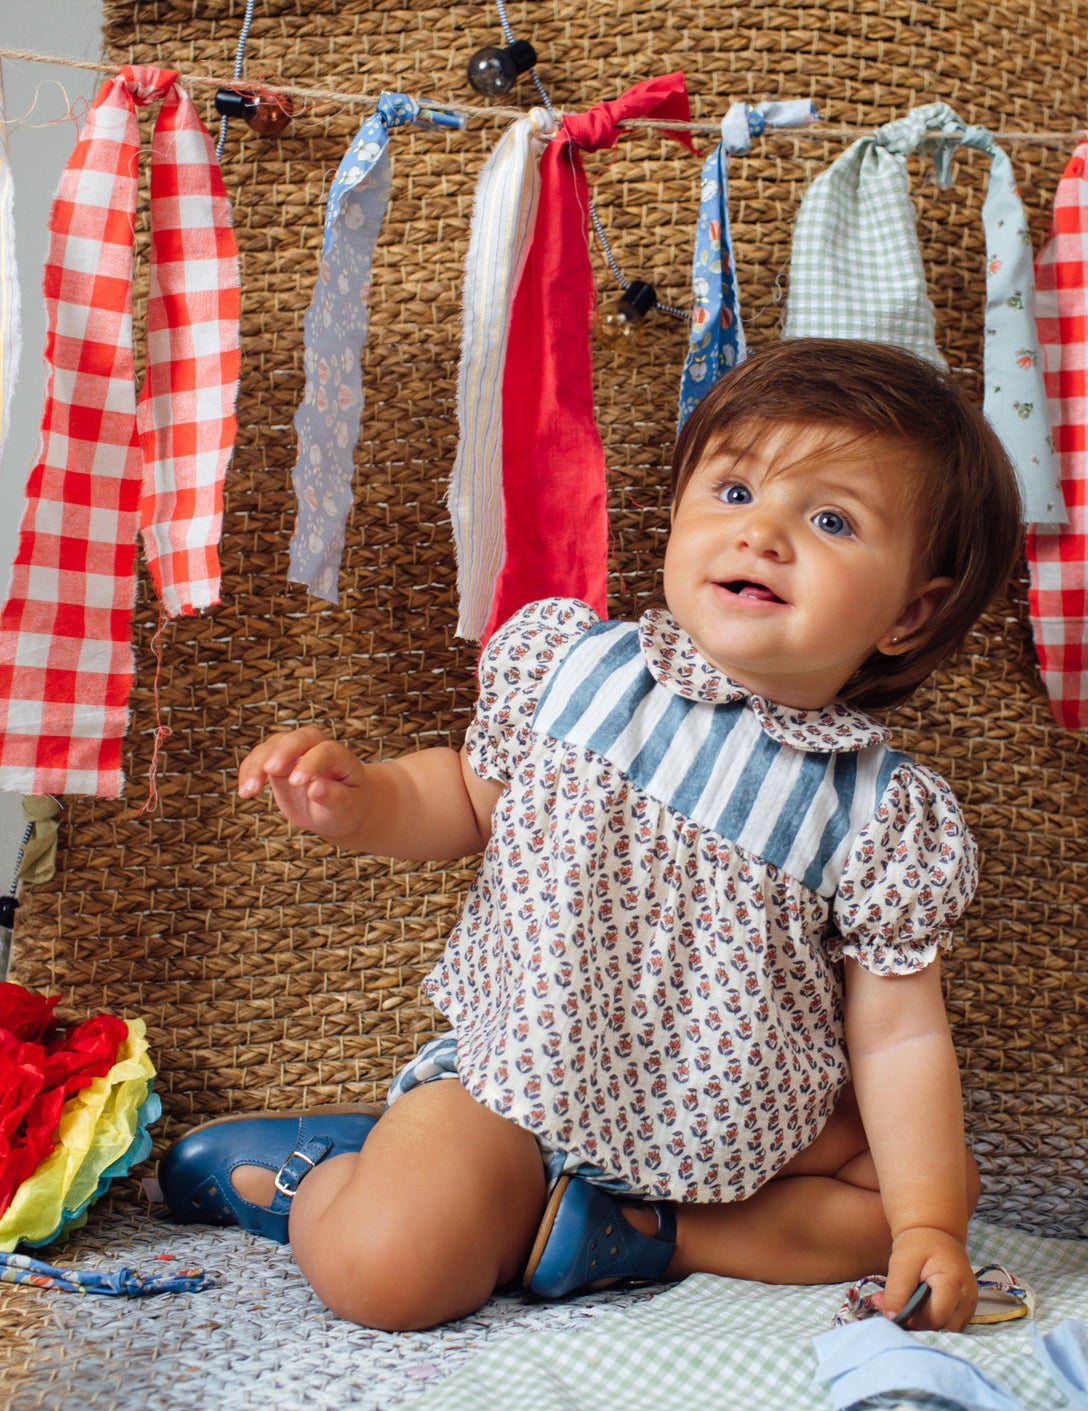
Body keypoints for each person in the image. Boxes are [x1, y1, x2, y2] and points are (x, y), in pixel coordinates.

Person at [159, 337, 1023, 1335]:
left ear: (910, 613)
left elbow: (900, 1030)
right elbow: (467, 802)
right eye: (734, 492)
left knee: (934, 1183)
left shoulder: (878, 811)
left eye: (829, 518)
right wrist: (364, 799)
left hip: (724, 1138)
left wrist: (923, 1223)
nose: (764, 535)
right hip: (516, 1092)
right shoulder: (574, 670)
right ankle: (314, 1177)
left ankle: (635, 1228)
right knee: (388, 1268)